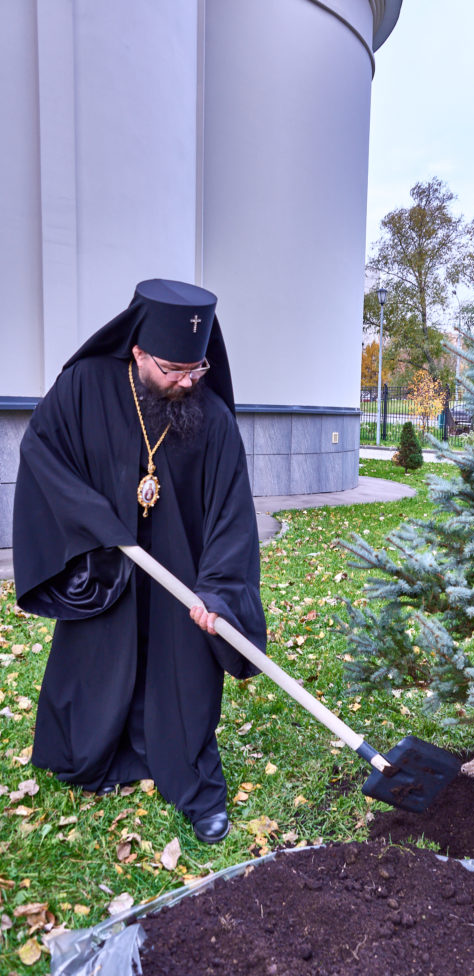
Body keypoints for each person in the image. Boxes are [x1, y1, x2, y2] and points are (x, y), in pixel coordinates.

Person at [13, 279, 267, 844]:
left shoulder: (214, 419)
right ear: (138, 352)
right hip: (109, 563)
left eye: (196, 371)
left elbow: (232, 517)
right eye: (174, 370)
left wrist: (219, 594)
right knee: (103, 655)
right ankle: (96, 757)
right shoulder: (86, 387)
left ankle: (192, 780)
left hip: (184, 573)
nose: (186, 382)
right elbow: (43, 452)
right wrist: (95, 520)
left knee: (182, 668)